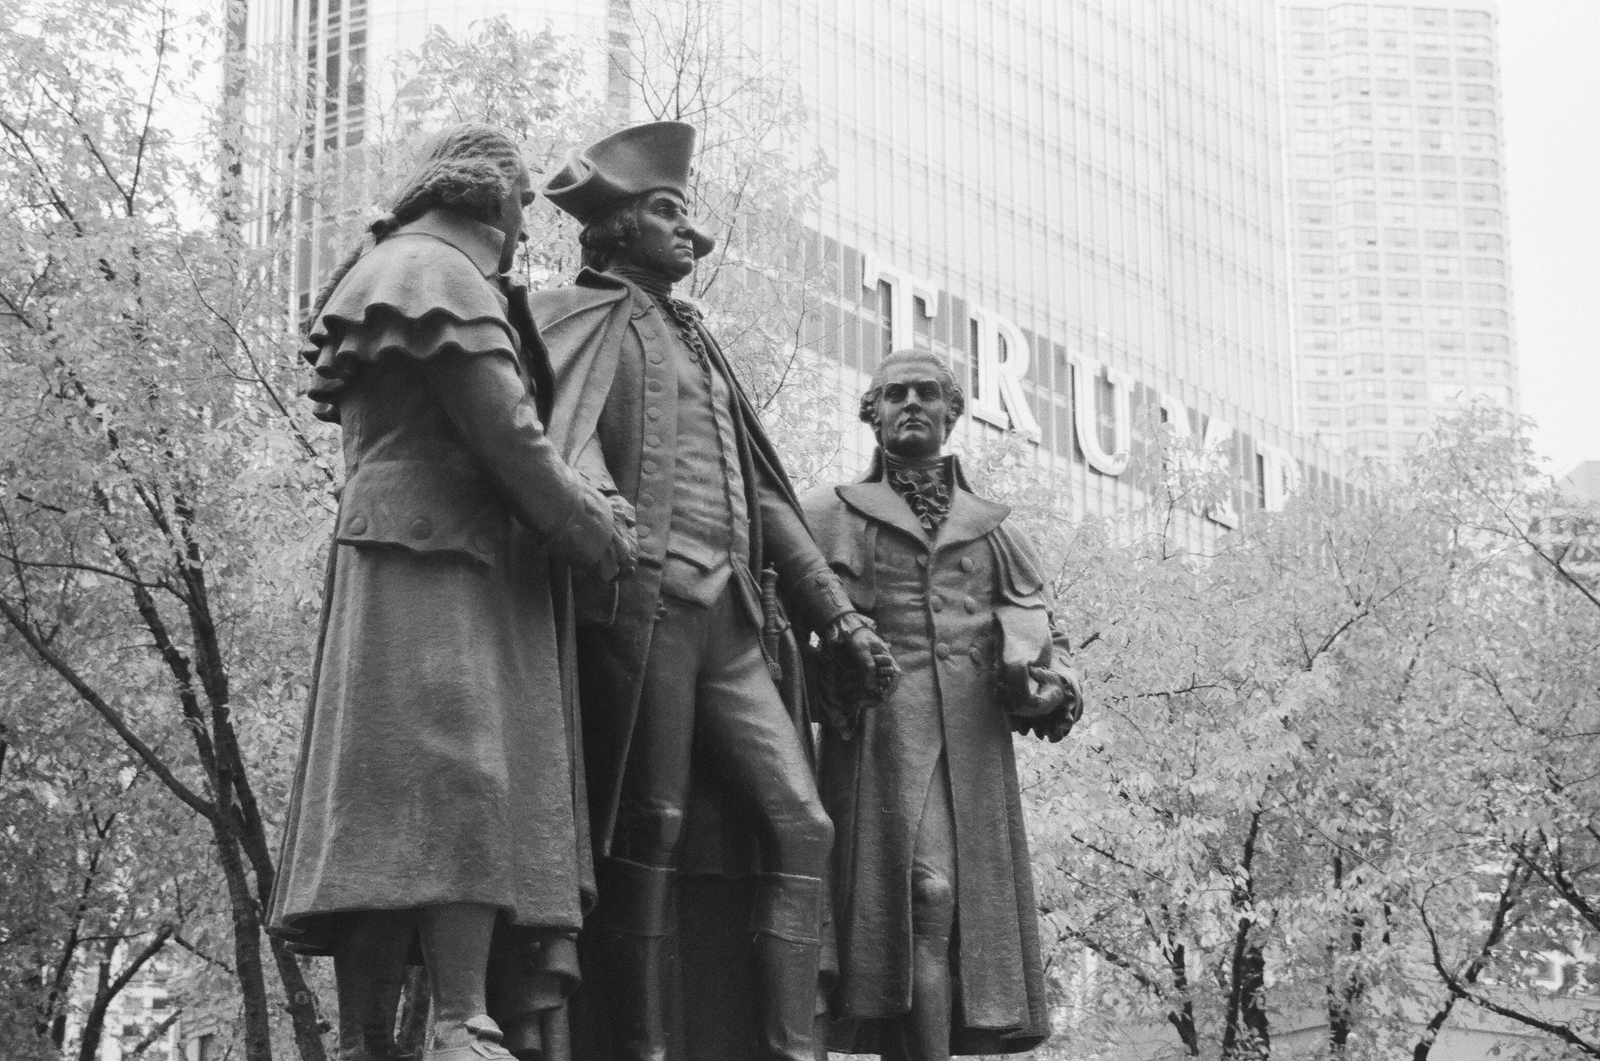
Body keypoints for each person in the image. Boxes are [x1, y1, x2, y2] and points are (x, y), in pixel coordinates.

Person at [526, 120, 899, 1061]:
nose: (691, 235)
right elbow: (555, 450)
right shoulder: (565, 319)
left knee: (800, 822)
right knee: (646, 826)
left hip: (733, 620)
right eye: (668, 211)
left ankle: (785, 1047)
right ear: (611, 229)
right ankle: (643, 1045)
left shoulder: (704, 345)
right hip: (638, 615)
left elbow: (768, 498)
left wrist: (839, 616)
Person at [267, 123, 637, 1061]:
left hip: (398, 548)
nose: (523, 232)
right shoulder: (438, 271)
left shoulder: (389, 264)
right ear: (497, 198)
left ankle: (368, 1038)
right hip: (443, 553)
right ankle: (456, 1019)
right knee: (452, 775)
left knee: (382, 793)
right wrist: (593, 529)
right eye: (521, 210)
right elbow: (508, 434)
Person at [801, 349, 1085, 1061]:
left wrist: (1048, 687)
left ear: (953, 413)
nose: (912, 403)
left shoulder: (998, 531)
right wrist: (825, 669)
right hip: (876, 747)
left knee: (944, 916)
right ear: (872, 412)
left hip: (971, 755)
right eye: (895, 393)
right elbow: (769, 623)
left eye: (928, 393)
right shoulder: (824, 514)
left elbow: (1055, 649)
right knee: (922, 896)